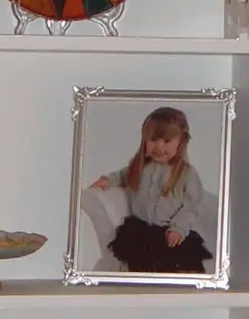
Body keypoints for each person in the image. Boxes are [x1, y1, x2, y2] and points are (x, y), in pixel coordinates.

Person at [88, 104, 211, 274]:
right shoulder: (141, 166)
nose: (159, 147)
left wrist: (179, 229)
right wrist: (107, 181)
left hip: (169, 233)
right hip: (140, 232)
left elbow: (192, 206)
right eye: (153, 140)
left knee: (170, 265)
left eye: (167, 141)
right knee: (133, 262)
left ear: (180, 142)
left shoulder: (186, 174)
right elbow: (124, 175)